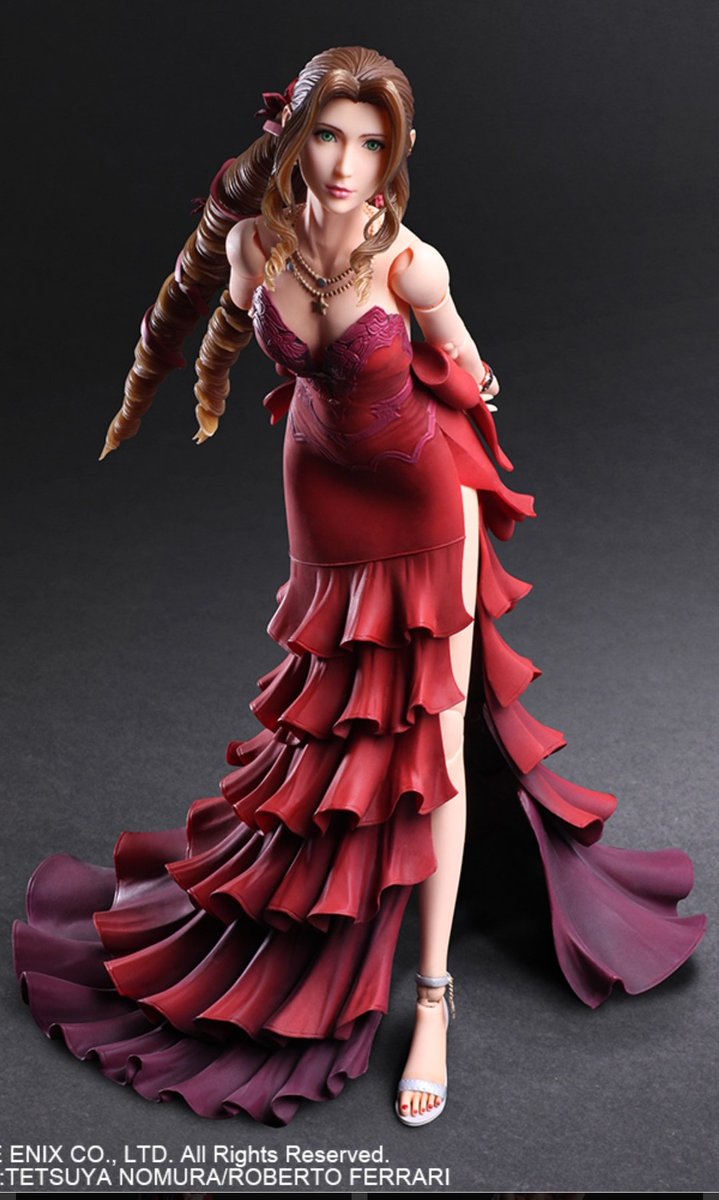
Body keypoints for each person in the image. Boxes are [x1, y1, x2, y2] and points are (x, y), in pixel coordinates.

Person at [13, 45, 706, 1129]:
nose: (345, 164)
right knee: (328, 714)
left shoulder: (413, 266)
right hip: (321, 495)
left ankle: (430, 998)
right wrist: (204, 383)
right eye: (327, 136)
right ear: (293, 139)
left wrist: (475, 386)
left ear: (399, 152)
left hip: (426, 503)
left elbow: (468, 369)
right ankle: (320, 904)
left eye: (371, 143)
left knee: (435, 743)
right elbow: (231, 323)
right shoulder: (254, 244)